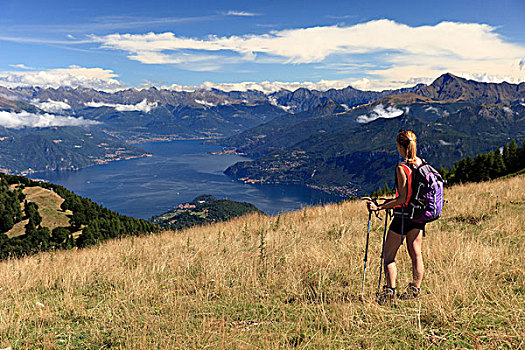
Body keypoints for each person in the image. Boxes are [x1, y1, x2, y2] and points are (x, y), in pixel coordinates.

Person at [367, 130, 424, 303]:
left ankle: (390, 293)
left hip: (403, 217)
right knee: (416, 254)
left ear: (400, 146)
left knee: (388, 256)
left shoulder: (402, 167)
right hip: (419, 215)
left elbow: (402, 198)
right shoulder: (421, 163)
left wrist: (380, 207)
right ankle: (415, 290)